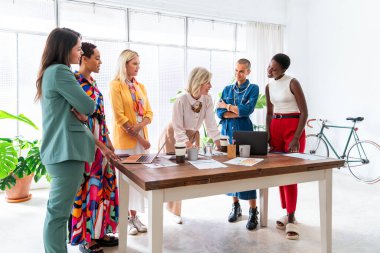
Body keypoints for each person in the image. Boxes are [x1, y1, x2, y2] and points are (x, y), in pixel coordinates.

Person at [35, 28, 96, 253]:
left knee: (57, 212)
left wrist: (79, 111)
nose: (80, 53)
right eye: (78, 48)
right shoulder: (61, 71)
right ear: (64, 48)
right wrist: (81, 111)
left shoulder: (49, 72)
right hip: (65, 152)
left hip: (60, 151)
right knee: (58, 214)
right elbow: (88, 106)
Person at [68, 42, 120, 253]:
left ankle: (100, 230)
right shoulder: (74, 81)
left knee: (104, 186)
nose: (100, 62)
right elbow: (77, 118)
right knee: (88, 188)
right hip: (86, 141)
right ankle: (85, 238)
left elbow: (101, 116)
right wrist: (99, 142)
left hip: (101, 141)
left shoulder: (93, 82)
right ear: (84, 58)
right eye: (96, 57)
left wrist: (108, 141)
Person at [159, 67, 222, 224]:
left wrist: (219, 143)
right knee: (175, 173)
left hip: (192, 135)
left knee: (189, 171)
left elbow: (211, 123)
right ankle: (172, 211)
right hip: (173, 136)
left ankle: (174, 209)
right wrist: (188, 144)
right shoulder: (181, 100)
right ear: (199, 82)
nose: (210, 86)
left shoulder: (207, 99)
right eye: (208, 82)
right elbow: (178, 129)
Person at [109, 49, 153, 235]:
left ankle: (134, 217)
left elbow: (149, 112)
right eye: (134, 63)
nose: (138, 67)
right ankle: (125, 218)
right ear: (124, 64)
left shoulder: (140, 86)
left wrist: (141, 124)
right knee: (124, 180)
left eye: (139, 64)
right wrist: (140, 138)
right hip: (126, 141)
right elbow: (119, 117)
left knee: (138, 180)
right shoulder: (115, 85)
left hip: (140, 136)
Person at [265, 53, 308, 240]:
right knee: (278, 173)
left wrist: (297, 137)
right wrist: (267, 134)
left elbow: (305, 112)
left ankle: (291, 216)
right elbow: (269, 112)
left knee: (291, 173)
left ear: (283, 69)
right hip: (275, 127)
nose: (270, 70)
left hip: (293, 128)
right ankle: (288, 211)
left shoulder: (293, 82)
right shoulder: (268, 86)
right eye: (269, 66)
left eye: (274, 68)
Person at [216, 58, 260, 231]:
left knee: (247, 170)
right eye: (236, 70)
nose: (238, 74)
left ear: (248, 72)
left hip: (245, 133)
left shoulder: (253, 88)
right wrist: (233, 110)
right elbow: (219, 113)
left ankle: (253, 210)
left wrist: (227, 106)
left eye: (241, 71)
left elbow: (247, 111)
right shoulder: (227, 89)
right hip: (228, 133)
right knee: (230, 171)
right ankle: (235, 206)